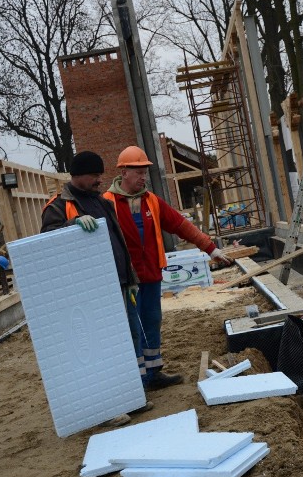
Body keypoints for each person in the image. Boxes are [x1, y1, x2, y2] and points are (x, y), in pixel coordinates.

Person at [103, 145, 233, 390]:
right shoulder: (107, 203)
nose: (143, 177)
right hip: (126, 280)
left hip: (151, 274)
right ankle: (137, 380)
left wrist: (211, 248)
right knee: (133, 327)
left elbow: (182, 226)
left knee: (152, 321)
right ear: (124, 172)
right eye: (138, 171)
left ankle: (153, 373)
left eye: (145, 172)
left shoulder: (152, 201)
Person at [40, 151, 152, 414]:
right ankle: (110, 404)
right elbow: (45, 242)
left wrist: (130, 279)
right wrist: (72, 224)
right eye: (94, 175)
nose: (100, 180)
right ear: (77, 175)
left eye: (100, 174)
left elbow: (118, 242)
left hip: (119, 285)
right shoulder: (58, 206)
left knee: (128, 341)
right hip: (88, 293)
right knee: (101, 347)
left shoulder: (102, 203)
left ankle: (132, 397)